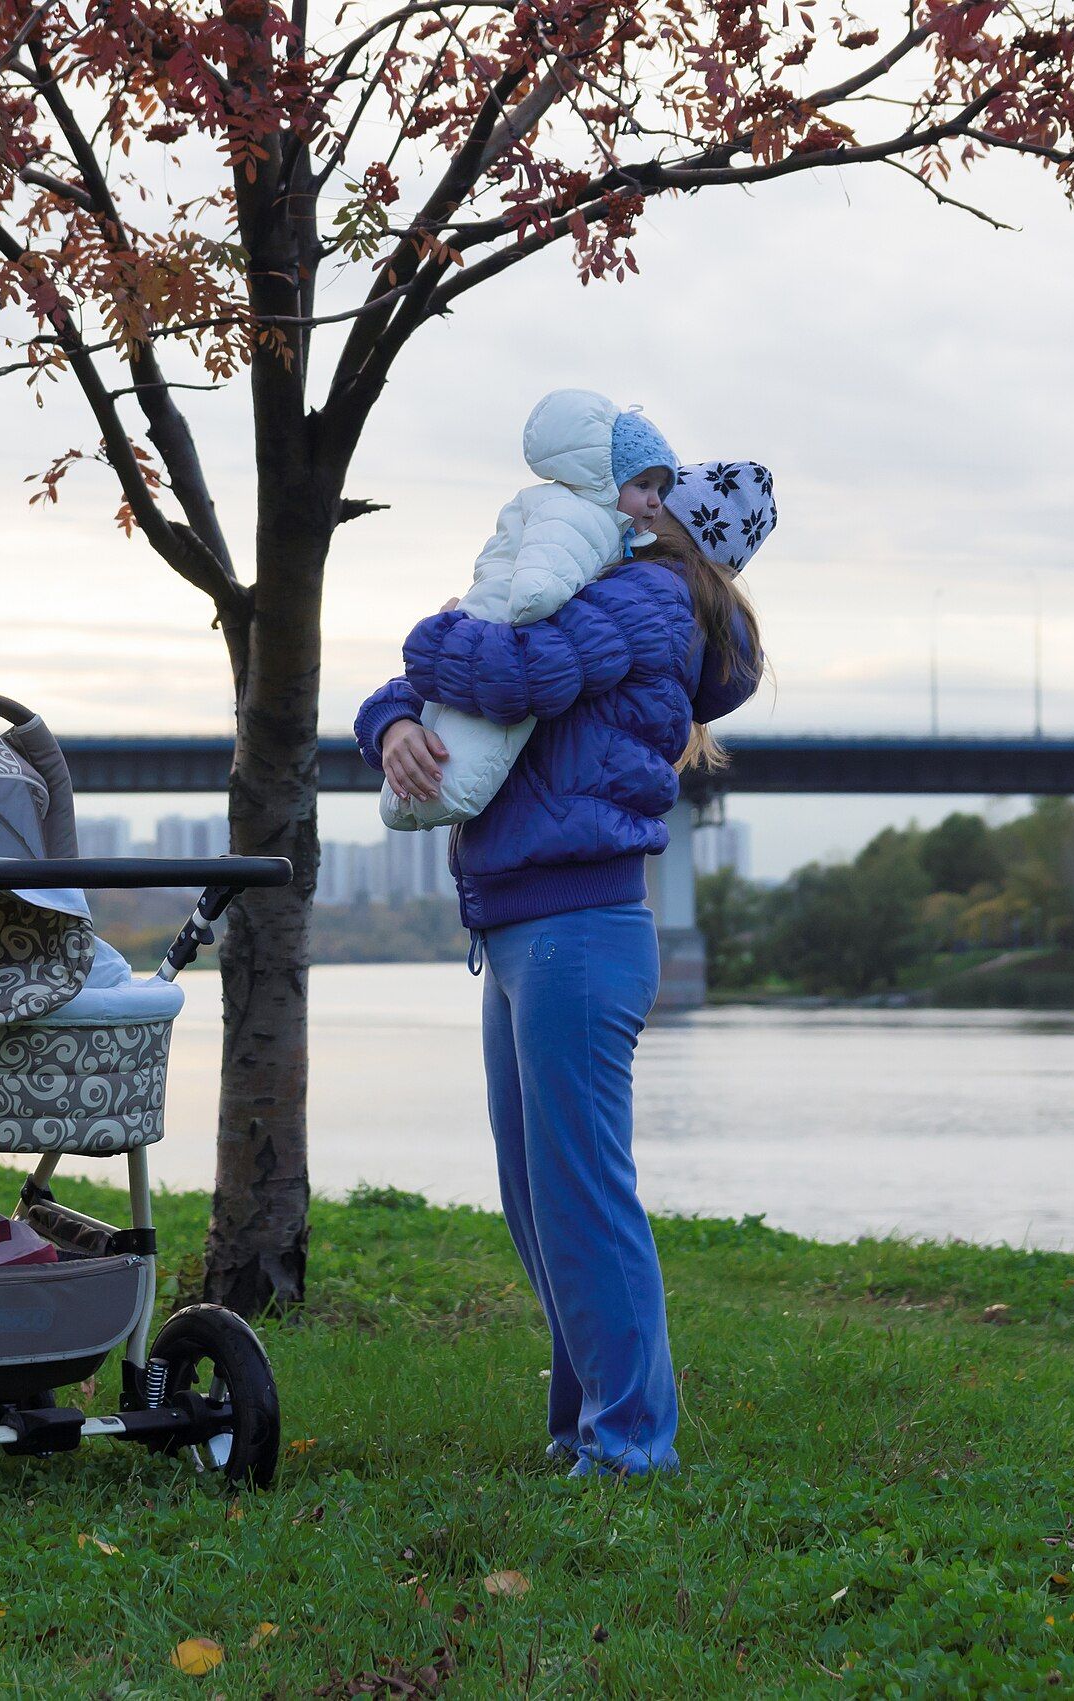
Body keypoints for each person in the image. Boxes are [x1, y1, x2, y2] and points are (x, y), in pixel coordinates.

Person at [354, 458, 774, 1476]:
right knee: (538, 1201)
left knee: (583, 1198)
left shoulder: (648, 597)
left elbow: (503, 674)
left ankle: (631, 1446)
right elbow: (412, 692)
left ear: (679, 523)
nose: (629, 500)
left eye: (653, 493)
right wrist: (396, 723)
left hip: (576, 926)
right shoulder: (592, 589)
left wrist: (435, 630)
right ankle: (579, 1427)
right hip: (514, 924)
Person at [381, 389, 678, 831]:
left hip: (544, 862)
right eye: (642, 486)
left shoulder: (636, 592)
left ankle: (406, 803)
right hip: (528, 863)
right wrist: (390, 722)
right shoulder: (587, 524)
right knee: (453, 761)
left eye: (661, 491)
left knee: (448, 769)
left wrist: (439, 638)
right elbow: (535, 598)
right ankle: (408, 801)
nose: (655, 503)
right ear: (606, 480)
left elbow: (520, 670)